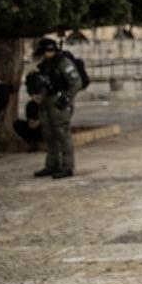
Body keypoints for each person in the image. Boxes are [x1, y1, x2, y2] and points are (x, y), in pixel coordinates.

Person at [32, 38, 82, 179]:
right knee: (49, 134)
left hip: (59, 102)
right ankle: (52, 165)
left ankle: (67, 166)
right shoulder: (45, 64)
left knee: (62, 134)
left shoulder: (63, 62)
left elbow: (76, 82)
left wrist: (66, 98)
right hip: (47, 101)